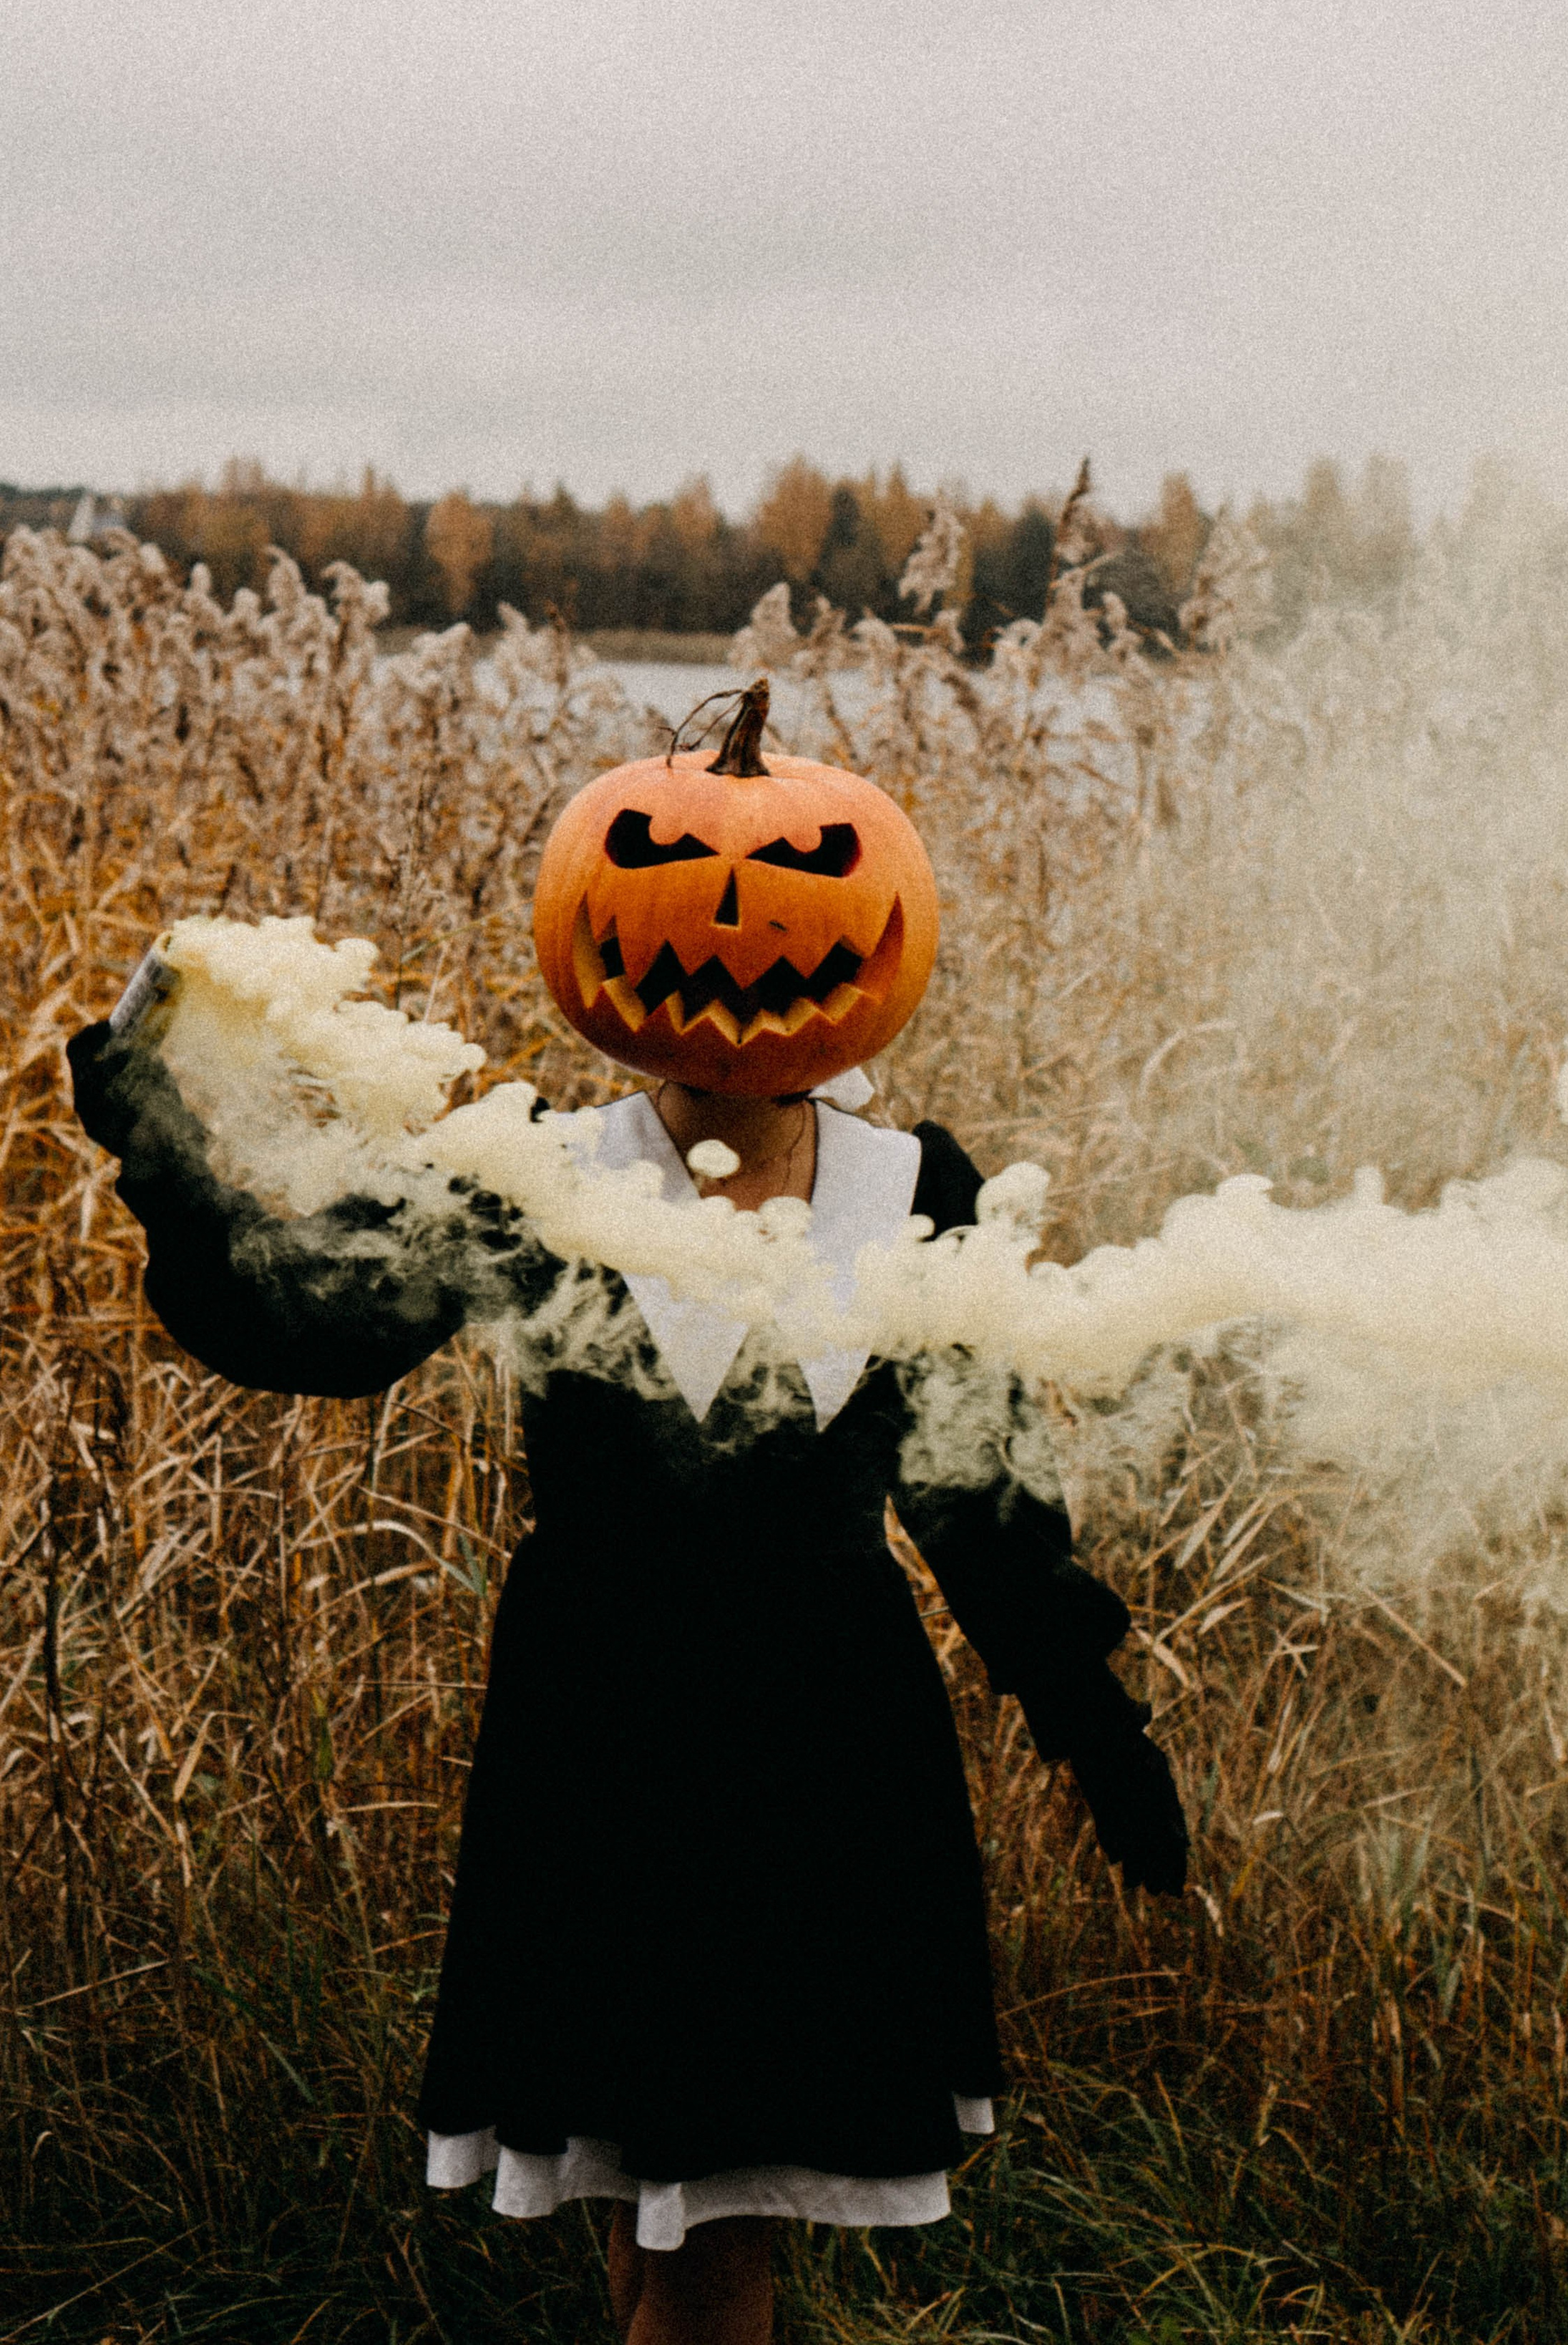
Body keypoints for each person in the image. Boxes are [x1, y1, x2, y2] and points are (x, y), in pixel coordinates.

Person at [67, 711, 1187, 2345]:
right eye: (670, 885)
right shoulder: (525, 1171)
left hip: (825, 1746)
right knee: (665, 2233)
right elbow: (308, 1328)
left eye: (797, 887)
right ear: (600, 926)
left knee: (707, 2246)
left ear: (871, 937)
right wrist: (162, 1158)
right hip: (604, 1728)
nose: (732, 940)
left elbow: (979, 1488)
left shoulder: (921, 1188)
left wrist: (1092, 1723)